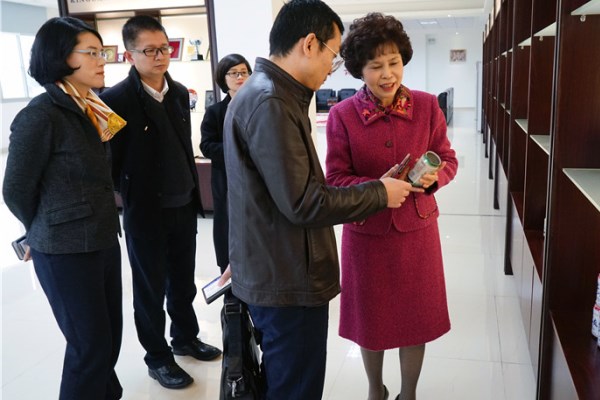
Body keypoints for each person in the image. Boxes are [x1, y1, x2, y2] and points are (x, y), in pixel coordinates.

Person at [222, 1, 421, 398]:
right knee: (296, 387)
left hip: (274, 267)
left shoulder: (267, 94)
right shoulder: (272, 102)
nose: (332, 67)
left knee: (284, 381)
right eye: (333, 54)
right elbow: (305, 203)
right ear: (310, 44)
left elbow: (257, 196)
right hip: (289, 280)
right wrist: (380, 192)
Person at [325, 13, 458, 400]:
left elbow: (448, 158)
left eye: (394, 62)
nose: (387, 74)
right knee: (372, 321)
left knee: (416, 321)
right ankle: (375, 389)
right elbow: (335, 179)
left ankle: (409, 393)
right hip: (366, 235)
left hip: (417, 232)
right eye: (375, 66)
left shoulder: (427, 106)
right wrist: (376, 189)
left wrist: (436, 178)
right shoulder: (342, 115)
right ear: (358, 69)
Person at [2, 17, 126, 400]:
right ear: (61, 57)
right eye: (92, 53)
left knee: (109, 341)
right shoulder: (40, 115)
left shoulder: (91, 106)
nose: (102, 60)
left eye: (102, 52)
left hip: (102, 238)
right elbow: (15, 189)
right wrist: (42, 227)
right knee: (89, 349)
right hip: (64, 249)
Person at [100, 15, 221, 390]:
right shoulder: (114, 100)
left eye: (164, 48)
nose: (159, 56)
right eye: (149, 50)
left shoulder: (180, 92)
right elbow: (109, 162)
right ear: (130, 55)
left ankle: (185, 338)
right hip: (145, 212)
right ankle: (157, 357)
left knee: (182, 283)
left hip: (183, 204)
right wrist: (130, 190)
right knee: (150, 290)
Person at [200, 54, 252, 275]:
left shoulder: (260, 106)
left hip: (255, 178)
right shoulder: (215, 112)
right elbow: (206, 146)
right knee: (228, 227)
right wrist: (237, 150)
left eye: (244, 72)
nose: (240, 77)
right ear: (223, 78)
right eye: (234, 73)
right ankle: (228, 276)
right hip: (227, 180)